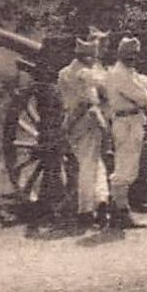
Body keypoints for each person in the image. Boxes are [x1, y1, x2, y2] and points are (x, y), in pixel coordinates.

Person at [104, 35, 147, 229]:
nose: (132, 57)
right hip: (126, 122)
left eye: (134, 54)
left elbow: (140, 83)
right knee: (125, 169)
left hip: (132, 121)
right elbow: (141, 97)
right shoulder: (120, 74)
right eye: (129, 54)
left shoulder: (127, 71)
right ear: (121, 54)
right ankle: (121, 214)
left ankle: (117, 210)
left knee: (128, 168)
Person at [57, 35, 111, 226]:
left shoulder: (64, 72)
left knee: (93, 164)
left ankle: (100, 201)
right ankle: (87, 210)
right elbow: (98, 87)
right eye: (93, 56)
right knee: (91, 165)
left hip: (74, 120)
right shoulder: (86, 74)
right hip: (87, 119)